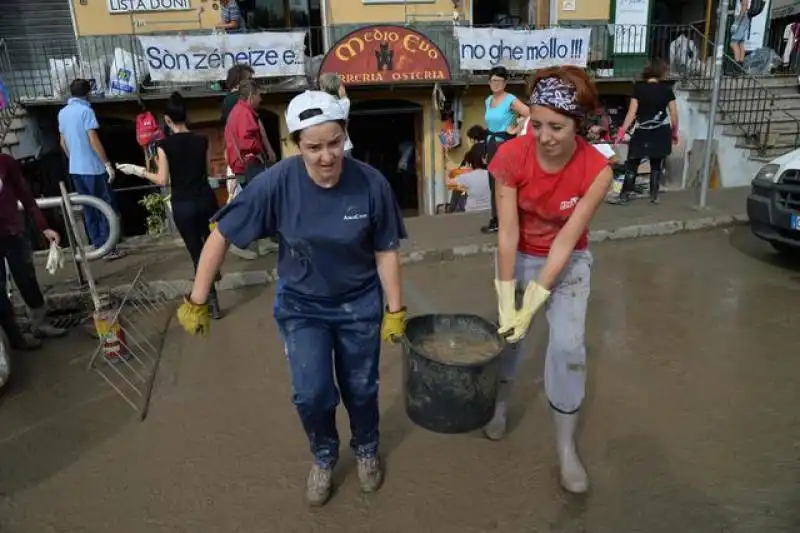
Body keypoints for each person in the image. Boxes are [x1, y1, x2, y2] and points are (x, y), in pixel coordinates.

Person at [175, 91, 408, 507]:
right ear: (296, 144)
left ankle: (367, 448)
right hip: (302, 307)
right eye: (313, 147)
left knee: (361, 388)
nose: (325, 156)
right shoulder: (277, 182)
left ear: (345, 137)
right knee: (311, 392)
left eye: (333, 143)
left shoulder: (371, 184)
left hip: (359, 305)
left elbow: (385, 249)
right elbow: (221, 233)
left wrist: (395, 309)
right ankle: (323, 455)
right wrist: (196, 298)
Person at [486, 66, 613, 495]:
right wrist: (509, 302)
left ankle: (565, 448)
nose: (544, 136)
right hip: (519, 253)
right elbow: (506, 233)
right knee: (508, 337)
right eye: (535, 124)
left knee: (566, 346)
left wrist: (535, 300)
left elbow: (566, 243)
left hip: (569, 259)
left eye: (556, 127)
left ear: (580, 124)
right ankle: (500, 405)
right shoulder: (509, 158)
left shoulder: (597, 170)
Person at [116, 93, 222, 319]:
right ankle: (214, 273)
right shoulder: (202, 140)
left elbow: (163, 180)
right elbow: (206, 172)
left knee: (197, 254)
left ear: (167, 119)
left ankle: (211, 303)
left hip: (183, 204)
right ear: (187, 115)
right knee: (211, 245)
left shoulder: (163, 145)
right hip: (205, 199)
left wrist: (138, 170)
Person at [0, 154, 67, 351]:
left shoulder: (6, 162)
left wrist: (44, 227)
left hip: (14, 234)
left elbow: (25, 196)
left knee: (27, 278)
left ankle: (40, 324)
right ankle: (14, 337)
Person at [58, 79, 124, 260]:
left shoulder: (62, 113)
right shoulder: (86, 111)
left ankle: (96, 244)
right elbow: (93, 140)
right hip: (93, 168)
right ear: (88, 94)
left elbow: (63, 143)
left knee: (88, 207)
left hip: (76, 169)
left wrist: (74, 159)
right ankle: (109, 248)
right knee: (105, 205)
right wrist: (107, 164)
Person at [613, 59, 679, 205]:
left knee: (632, 163)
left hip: (642, 131)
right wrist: (674, 133)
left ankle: (625, 195)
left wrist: (621, 133)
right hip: (661, 131)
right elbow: (674, 114)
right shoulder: (667, 90)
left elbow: (631, 113)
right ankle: (654, 195)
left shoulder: (639, 88)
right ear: (661, 72)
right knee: (656, 163)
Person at [483, 66, 530, 234]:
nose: (496, 84)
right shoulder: (488, 100)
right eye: (494, 81)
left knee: (505, 183)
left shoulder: (510, 99)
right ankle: (496, 218)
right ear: (489, 82)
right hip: (490, 143)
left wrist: (517, 128)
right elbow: (488, 123)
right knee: (492, 184)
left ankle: (506, 219)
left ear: (505, 83)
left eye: (500, 81)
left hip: (505, 144)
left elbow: (529, 113)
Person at [225, 79, 276, 188]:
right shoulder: (244, 113)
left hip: (241, 166)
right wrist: (262, 153)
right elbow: (246, 143)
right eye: (258, 95)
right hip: (249, 166)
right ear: (250, 95)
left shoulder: (236, 111)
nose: (260, 99)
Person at [446, 144, 491, 213]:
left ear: (470, 163)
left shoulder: (466, 177)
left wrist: (457, 173)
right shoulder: (493, 175)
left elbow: (449, 183)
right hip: (490, 214)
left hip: (470, 215)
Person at [319, 73, 354, 157]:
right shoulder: (345, 103)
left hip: (328, 149)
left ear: (323, 88)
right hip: (345, 147)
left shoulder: (320, 105)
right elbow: (343, 94)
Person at [730, 0, 751, 67]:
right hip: (744, 18)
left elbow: (744, 5)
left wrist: (737, 22)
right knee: (741, 44)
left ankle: (737, 65)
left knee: (733, 43)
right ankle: (740, 66)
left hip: (741, 19)